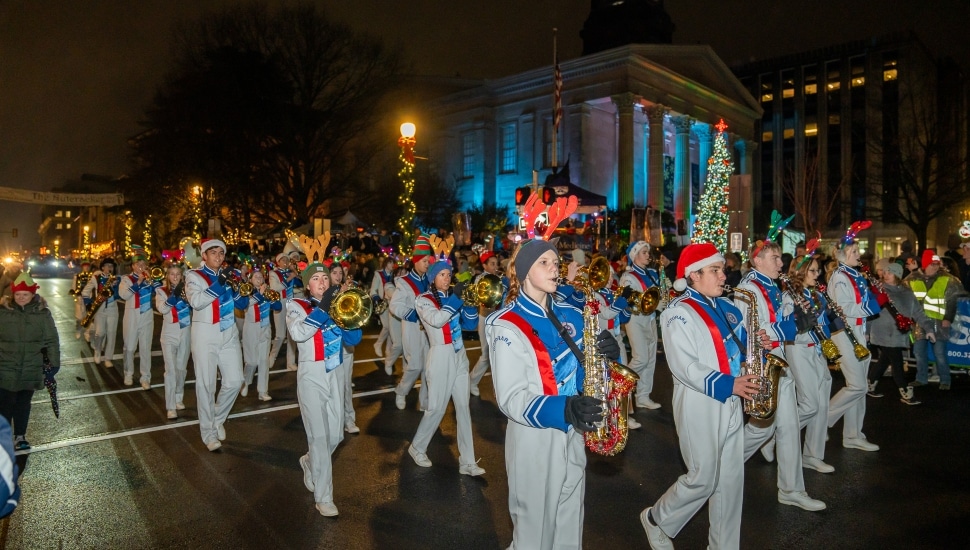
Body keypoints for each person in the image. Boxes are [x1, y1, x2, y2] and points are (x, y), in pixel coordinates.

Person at [486, 238, 619, 549]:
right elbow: (511, 398)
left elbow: (589, 375)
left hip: (573, 433)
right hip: (534, 437)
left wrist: (606, 358)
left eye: (555, 262)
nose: (554, 267)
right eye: (543, 262)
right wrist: (564, 409)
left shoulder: (572, 314)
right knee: (534, 534)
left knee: (570, 525)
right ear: (523, 272)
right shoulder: (505, 324)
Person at [639, 243, 763, 550]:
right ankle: (656, 518)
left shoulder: (728, 307)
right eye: (715, 270)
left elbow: (739, 345)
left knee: (731, 481)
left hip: (733, 398)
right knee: (703, 478)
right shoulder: (676, 313)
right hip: (700, 400)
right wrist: (729, 385)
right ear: (694, 275)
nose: (724, 276)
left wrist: (759, 343)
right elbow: (685, 367)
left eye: (722, 269)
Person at [737, 238, 826, 511]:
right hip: (763, 366)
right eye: (774, 258)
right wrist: (795, 324)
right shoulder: (748, 290)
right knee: (762, 426)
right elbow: (757, 333)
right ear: (757, 261)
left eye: (779, 257)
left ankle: (790, 489)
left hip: (777, 362)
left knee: (786, 427)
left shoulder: (768, 285)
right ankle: (720, 464)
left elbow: (771, 326)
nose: (780, 263)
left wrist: (800, 317)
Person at [288, 263, 362, 517]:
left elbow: (354, 340)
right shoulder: (296, 306)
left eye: (325, 278)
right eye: (316, 279)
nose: (322, 282)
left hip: (335, 372)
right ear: (307, 285)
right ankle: (324, 496)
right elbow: (298, 333)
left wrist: (347, 316)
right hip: (311, 374)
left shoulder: (337, 305)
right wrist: (323, 308)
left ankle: (309, 461)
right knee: (319, 438)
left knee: (335, 436)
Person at [407, 258, 484, 476]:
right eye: (442, 274)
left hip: (460, 355)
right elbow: (437, 319)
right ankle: (417, 447)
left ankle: (467, 462)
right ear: (433, 278)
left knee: (463, 408)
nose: (447, 278)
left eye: (449, 274)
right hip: (440, 354)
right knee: (436, 409)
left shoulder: (452, 298)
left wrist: (469, 304)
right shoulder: (423, 299)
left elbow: (469, 325)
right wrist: (458, 298)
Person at [185, 239, 247, 451]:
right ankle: (208, 433)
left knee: (235, 380)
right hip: (205, 333)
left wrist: (239, 289)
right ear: (204, 255)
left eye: (222, 253)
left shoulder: (229, 275)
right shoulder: (194, 275)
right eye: (214, 253)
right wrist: (220, 283)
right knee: (206, 385)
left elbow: (242, 304)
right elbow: (196, 301)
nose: (219, 257)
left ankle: (217, 418)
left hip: (228, 332)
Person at [826, 221, 882, 451]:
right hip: (844, 335)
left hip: (858, 333)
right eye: (855, 252)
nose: (859, 255)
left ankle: (853, 435)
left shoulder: (854, 275)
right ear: (843, 255)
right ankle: (823, 419)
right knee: (858, 386)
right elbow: (845, 308)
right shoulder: (840, 277)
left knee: (859, 390)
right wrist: (873, 306)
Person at [783, 246, 836, 473]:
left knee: (822, 403)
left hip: (818, 349)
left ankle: (812, 454)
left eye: (817, 271)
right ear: (801, 272)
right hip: (800, 349)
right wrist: (801, 315)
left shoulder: (815, 294)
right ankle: (780, 433)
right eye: (813, 271)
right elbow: (789, 326)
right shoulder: (789, 296)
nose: (817, 275)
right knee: (810, 404)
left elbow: (826, 322)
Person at [0, 273, 60, 451]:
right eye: (18, 294)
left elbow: (51, 340)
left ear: (33, 295)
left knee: (23, 404)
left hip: (31, 367)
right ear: (13, 294)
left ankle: (20, 436)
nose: (21, 298)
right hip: (6, 366)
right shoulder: (3, 313)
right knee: (5, 403)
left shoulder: (43, 314)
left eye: (25, 294)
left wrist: (54, 364)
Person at [867, 260, 934, 405]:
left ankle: (870, 384)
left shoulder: (907, 292)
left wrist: (929, 328)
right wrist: (866, 331)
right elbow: (869, 311)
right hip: (882, 332)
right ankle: (905, 392)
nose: (885, 275)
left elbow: (918, 312)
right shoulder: (878, 290)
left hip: (899, 332)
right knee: (897, 361)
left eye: (889, 272)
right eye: (884, 272)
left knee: (884, 360)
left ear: (897, 275)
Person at [904, 249, 966, 390]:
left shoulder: (947, 279)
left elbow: (951, 301)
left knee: (940, 353)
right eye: (932, 264)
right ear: (925, 264)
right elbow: (904, 299)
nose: (935, 266)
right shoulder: (911, 279)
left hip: (939, 322)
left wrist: (948, 318)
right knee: (919, 352)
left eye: (937, 264)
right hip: (919, 323)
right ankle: (921, 379)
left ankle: (945, 380)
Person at [389, 235, 433, 411]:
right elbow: (394, 306)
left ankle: (424, 401)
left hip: (428, 328)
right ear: (415, 261)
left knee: (428, 367)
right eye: (423, 260)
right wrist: (412, 315)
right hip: (412, 327)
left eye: (428, 260)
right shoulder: (405, 282)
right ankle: (401, 391)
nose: (427, 263)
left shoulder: (430, 280)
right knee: (414, 365)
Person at [619, 240, 663, 410]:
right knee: (641, 358)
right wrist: (654, 304)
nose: (647, 255)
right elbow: (630, 299)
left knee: (651, 359)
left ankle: (643, 396)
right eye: (644, 252)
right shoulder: (628, 277)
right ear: (634, 256)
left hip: (650, 318)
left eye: (647, 252)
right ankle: (621, 383)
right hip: (635, 319)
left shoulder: (651, 273)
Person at [118, 246, 162, 388]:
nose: (142, 267)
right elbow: (124, 295)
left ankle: (145, 377)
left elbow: (162, 293)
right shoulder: (127, 279)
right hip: (132, 314)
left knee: (145, 348)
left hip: (147, 314)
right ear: (133, 266)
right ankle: (128, 373)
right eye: (139, 265)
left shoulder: (151, 278)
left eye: (144, 265)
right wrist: (138, 282)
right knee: (130, 347)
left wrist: (158, 285)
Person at [326, 260, 360, 434]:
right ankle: (334, 422)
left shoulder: (348, 291)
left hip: (346, 348)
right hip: (331, 347)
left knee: (346, 385)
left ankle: (349, 419)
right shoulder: (325, 294)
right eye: (334, 273)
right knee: (331, 387)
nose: (338, 276)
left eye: (340, 273)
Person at [468, 250, 508, 397]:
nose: (495, 266)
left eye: (496, 263)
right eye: (492, 264)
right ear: (484, 265)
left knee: (500, 353)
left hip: (498, 318)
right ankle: (471, 381)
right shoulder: (481, 279)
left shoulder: (499, 278)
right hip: (485, 318)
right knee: (486, 354)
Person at [155, 265, 191, 419]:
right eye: (172, 274)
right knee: (170, 370)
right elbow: (162, 309)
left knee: (181, 368)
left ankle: (178, 396)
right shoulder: (161, 291)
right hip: (169, 332)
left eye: (178, 274)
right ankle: (170, 406)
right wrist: (174, 296)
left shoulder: (188, 290)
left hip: (186, 331)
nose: (175, 277)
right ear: (167, 276)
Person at [240, 268, 281, 402]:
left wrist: (273, 299)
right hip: (251, 328)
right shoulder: (246, 291)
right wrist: (260, 294)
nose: (259, 279)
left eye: (260, 277)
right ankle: (246, 382)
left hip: (265, 328)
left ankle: (263, 391)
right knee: (251, 361)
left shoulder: (268, 291)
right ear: (250, 279)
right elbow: (245, 305)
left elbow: (278, 307)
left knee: (263, 361)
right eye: (256, 277)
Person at [82, 257, 121, 367]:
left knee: (111, 334)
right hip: (100, 308)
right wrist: (89, 303)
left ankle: (108, 358)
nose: (109, 268)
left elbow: (120, 295)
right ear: (102, 267)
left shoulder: (117, 279)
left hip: (113, 308)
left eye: (111, 266)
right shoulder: (96, 278)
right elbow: (85, 291)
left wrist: (116, 287)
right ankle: (98, 351)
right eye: (107, 266)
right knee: (100, 333)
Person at [268, 252, 300, 371]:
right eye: (283, 260)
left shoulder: (290, 272)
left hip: (291, 304)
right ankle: (271, 358)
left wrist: (296, 273)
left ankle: (290, 363)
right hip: (280, 304)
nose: (286, 262)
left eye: (287, 260)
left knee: (292, 335)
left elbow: (301, 283)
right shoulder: (273, 273)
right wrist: (289, 278)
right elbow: (275, 288)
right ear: (278, 262)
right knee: (280, 335)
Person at [370, 256, 397, 358]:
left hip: (393, 304)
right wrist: (377, 300)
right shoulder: (378, 274)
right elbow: (373, 290)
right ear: (386, 263)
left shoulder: (394, 275)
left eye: (392, 263)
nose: (392, 265)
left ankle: (387, 350)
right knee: (387, 326)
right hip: (383, 303)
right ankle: (378, 344)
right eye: (390, 263)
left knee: (391, 328)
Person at [70, 260, 93, 341]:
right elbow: (73, 288)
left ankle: (87, 333)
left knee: (89, 317)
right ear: (82, 267)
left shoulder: (92, 276)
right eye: (84, 266)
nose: (86, 267)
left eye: (88, 266)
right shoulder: (77, 276)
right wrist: (76, 296)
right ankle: (78, 330)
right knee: (79, 318)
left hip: (89, 299)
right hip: (80, 299)